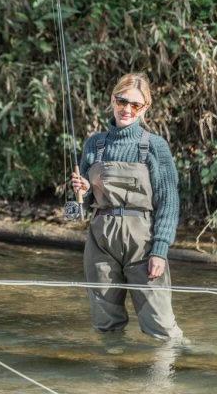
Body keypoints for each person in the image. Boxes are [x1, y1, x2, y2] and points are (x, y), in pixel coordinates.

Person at [71, 73, 183, 339]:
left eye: (136, 105)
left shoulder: (155, 147)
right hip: (100, 241)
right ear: (113, 99)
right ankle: (113, 378)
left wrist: (160, 250)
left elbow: (169, 202)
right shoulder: (94, 144)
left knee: (161, 327)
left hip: (142, 242)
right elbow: (81, 206)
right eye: (122, 101)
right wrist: (83, 192)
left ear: (146, 108)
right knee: (105, 325)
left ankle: (177, 373)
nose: (127, 110)